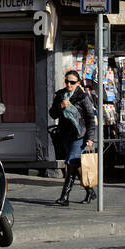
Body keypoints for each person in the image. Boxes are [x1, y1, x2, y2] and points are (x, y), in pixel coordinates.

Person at [49, 69, 97, 206]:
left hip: (79, 135)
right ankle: (90, 192)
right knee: (75, 166)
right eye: (67, 81)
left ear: (79, 83)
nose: (69, 84)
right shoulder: (60, 95)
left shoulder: (82, 97)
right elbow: (52, 114)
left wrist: (90, 137)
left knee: (70, 163)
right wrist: (60, 106)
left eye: (72, 82)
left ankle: (64, 197)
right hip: (65, 135)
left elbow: (90, 118)